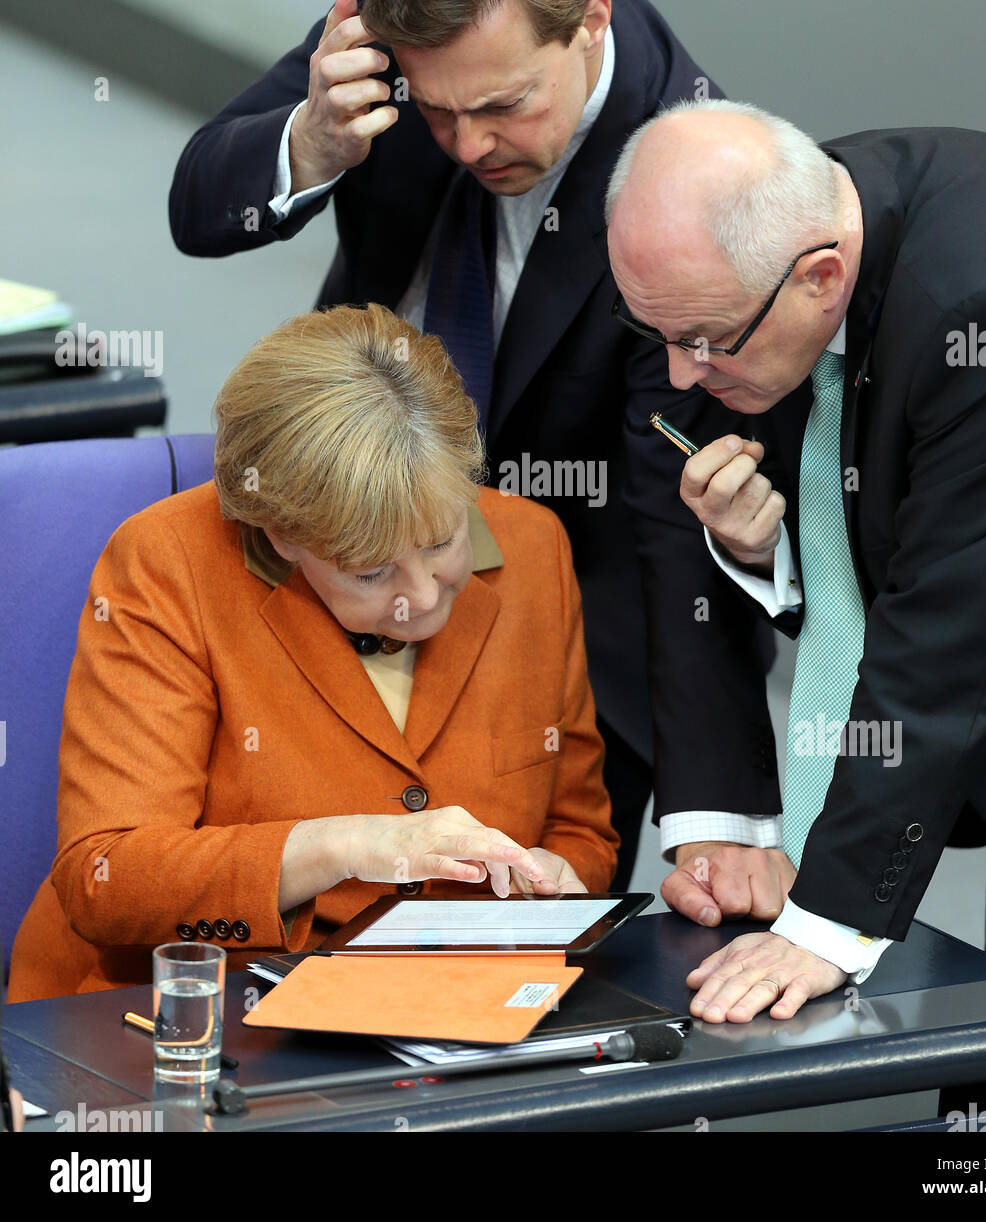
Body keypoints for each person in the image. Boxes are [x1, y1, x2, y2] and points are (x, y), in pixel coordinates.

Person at [168, 0, 775, 888]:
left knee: (517, 938)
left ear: (589, 22)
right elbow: (199, 208)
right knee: (284, 875)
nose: (467, 144)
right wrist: (309, 142)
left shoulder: (687, 178)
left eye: (503, 106)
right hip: (351, 509)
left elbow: (675, 516)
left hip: (565, 605)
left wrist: (719, 811)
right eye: (438, 111)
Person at [603, 101, 986, 1096]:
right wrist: (762, 545)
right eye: (656, 334)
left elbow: (947, 637)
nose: (678, 374)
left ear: (821, 277)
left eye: (703, 342)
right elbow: (867, 521)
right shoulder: (774, 234)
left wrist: (829, 923)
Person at [7, 304, 617, 1001]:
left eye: (442, 540)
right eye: (367, 571)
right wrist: (345, 845)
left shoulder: (534, 546)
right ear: (276, 535)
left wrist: (552, 877)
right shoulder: (167, 564)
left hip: (452, 1010)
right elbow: (105, 877)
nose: (419, 596)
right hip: (190, 1011)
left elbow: (579, 831)